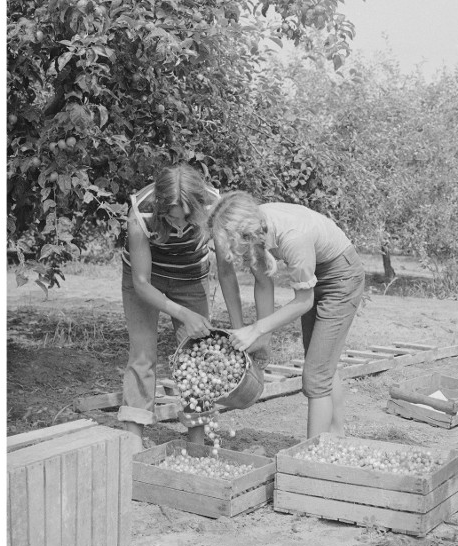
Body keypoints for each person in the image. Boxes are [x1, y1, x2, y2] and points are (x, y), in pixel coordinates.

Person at [208, 192, 364, 439]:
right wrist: (262, 339)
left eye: (229, 240)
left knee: (315, 377)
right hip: (318, 271)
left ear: (244, 233)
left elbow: (304, 301)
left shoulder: (293, 238)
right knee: (321, 360)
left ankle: (311, 458)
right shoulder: (259, 226)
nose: (226, 249)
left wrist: (258, 329)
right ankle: (336, 436)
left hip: (341, 279)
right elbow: (263, 281)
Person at [118, 163, 221, 452]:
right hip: (144, 277)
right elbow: (141, 282)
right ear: (162, 207)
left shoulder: (214, 206)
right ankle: (133, 441)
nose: (179, 226)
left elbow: (225, 270)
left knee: (195, 356)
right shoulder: (141, 211)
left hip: (190, 277)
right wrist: (183, 313)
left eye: (187, 218)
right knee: (142, 354)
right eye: (173, 218)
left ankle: (197, 440)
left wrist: (239, 327)